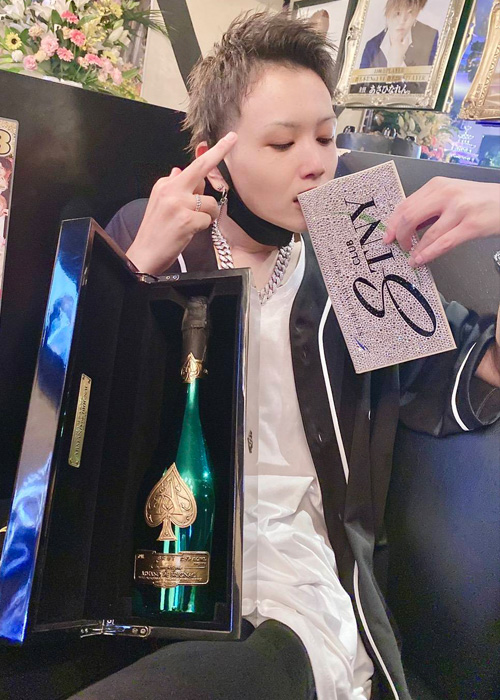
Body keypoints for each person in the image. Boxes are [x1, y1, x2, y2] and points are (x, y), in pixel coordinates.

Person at [80, 10, 499, 700]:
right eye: (282, 142)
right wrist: (136, 273)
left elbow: (481, 373)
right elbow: (75, 430)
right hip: (150, 564)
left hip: (289, 585)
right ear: (214, 157)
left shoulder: (356, 250)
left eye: (327, 137)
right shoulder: (152, 233)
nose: (317, 162)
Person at [360, 0, 439, 70]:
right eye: (398, 13)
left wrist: (398, 63)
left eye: (410, 12)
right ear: (387, 13)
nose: (402, 21)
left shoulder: (429, 37)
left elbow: (429, 80)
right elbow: (361, 82)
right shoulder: (371, 47)